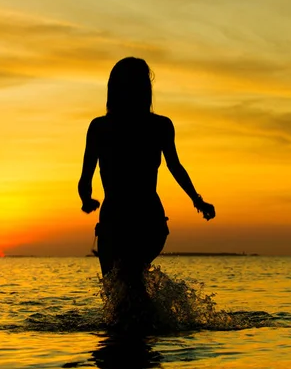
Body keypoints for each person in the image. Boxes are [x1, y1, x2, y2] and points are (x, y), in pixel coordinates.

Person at [78, 57, 215, 285]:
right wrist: (198, 201)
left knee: (124, 285)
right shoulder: (155, 126)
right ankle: (162, 317)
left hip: (136, 219)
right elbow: (175, 167)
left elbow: (85, 178)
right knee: (121, 288)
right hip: (124, 221)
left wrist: (86, 199)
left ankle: (154, 317)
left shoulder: (104, 127)